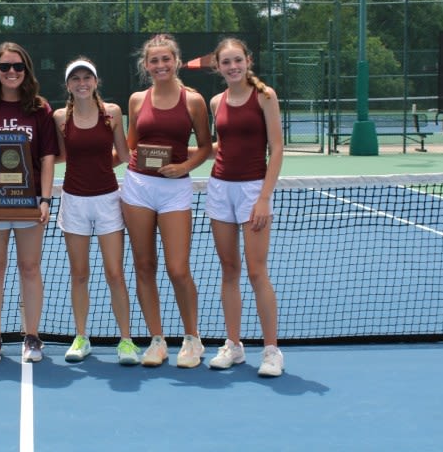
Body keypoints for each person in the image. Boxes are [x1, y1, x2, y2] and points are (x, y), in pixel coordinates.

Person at [121, 33, 212, 368]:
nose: (160, 65)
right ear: (146, 66)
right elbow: (131, 145)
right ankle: (157, 340)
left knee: (177, 268)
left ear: (175, 61)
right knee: (144, 266)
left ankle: (192, 338)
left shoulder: (194, 101)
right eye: (154, 61)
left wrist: (184, 166)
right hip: (137, 188)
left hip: (175, 190)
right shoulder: (135, 100)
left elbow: (205, 146)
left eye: (166, 59)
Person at [0, 41, 58, 363]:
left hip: (29, 196)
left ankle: (32, 337)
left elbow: (48, 156)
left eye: (18, 66)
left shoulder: (40, 109)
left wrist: (45, 198)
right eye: (5, 67)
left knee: (30, 267)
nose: (11, 72)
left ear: (27, 71)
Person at [205, 37, 285, 377]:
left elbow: (278, 148)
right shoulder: (215, 101)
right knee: (229, 270)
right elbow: (222, 145)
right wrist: (171, 152)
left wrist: (264, 197)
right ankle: (234, 346)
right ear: (218, 67)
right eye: (226, 62)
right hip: (220, 189)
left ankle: (271, 351)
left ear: (248, 61)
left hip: (253, 190)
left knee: (256, 271)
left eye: (238, 60)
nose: (233, 66)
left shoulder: (265, 96)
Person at [53, 57, 140, 365]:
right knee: (79, 274)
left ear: (95, 81)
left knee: (115, 273)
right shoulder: (60, 117)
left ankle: (126, 341)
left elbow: (126, 154)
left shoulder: (112, 113)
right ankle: (81, 337)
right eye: (75, 78)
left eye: (86, 77)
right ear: (68, 85)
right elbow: (61, 156)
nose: (81, 83)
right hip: (74, 201)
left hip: (108, 200)